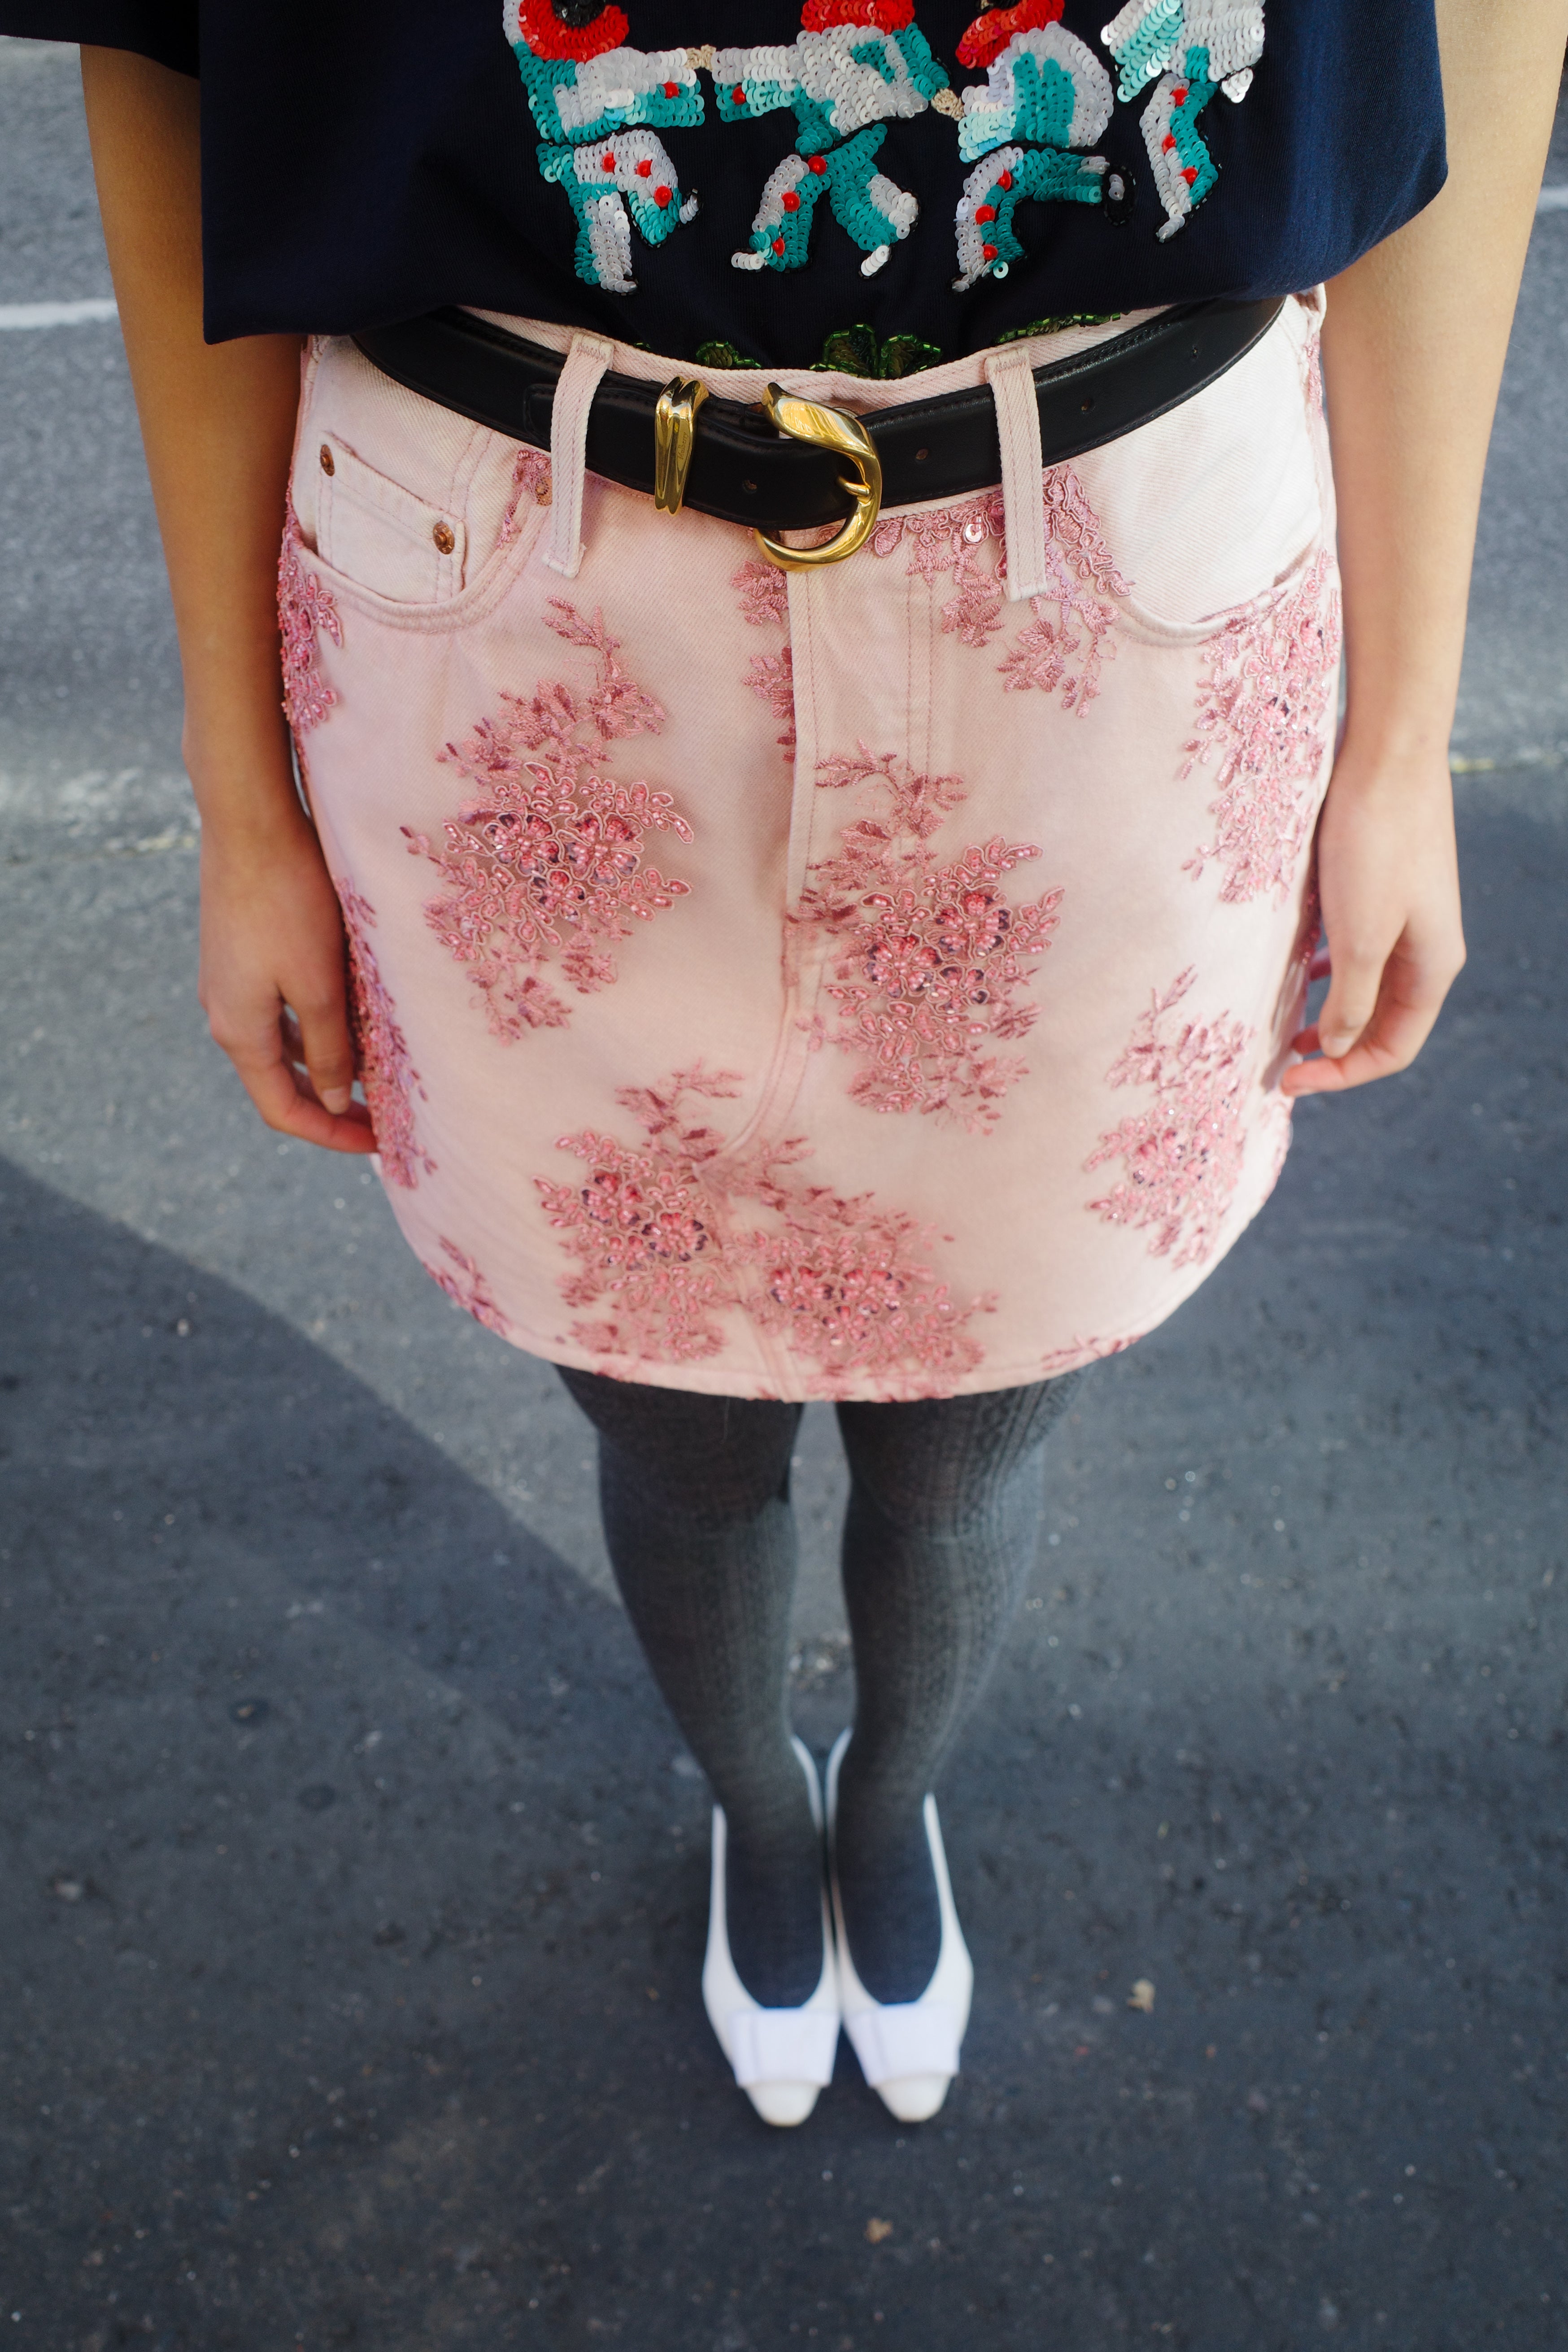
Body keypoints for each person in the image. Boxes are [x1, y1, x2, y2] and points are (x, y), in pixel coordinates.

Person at [10, 0, 1561, 2127]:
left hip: (1106, 625)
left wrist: (1400, 743)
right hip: (517, 615)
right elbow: (176, 49)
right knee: (665, 1418)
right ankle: (756, 1811)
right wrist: (241, 796)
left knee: (982, 1423)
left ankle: (891, 1795)